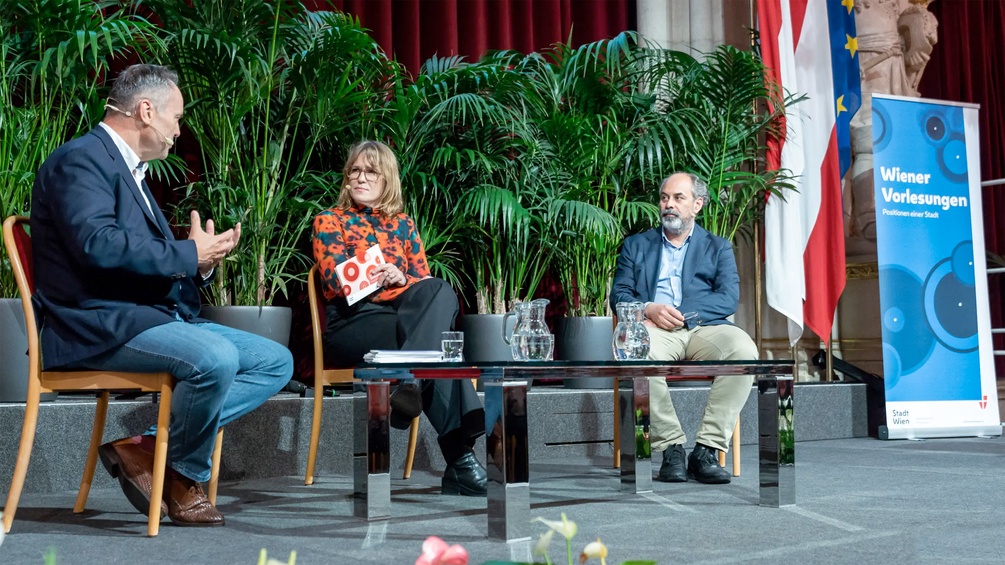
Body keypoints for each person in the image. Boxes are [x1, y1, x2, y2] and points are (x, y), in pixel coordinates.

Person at [30, 64, 293, 526]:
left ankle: (146, 448)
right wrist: (187, 253)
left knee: (276, 361)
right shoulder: (82, 159)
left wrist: (201, 264)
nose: (178, 130)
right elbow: (98, 245)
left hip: (146, 316)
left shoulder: (131, 170)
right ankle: (182, 476)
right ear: (146, 111)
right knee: (214, 357)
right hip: (96, 323)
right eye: (176, 118)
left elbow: (140, 256)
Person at [312, 140, 487, 496]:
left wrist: (402, 278)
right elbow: (337, 280)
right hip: (355, 322)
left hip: (404, 323)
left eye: (370, 171)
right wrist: (382, 273)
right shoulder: (329, 221)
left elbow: (425, 285)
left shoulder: (403, 224)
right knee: (438, 352)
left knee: (440, 289)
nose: (359, 178)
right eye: (354, 171)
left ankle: (411, 381)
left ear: (387, 178)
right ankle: (461, 461)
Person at [610, 172, 758, 484]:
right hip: (654, 329)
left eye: (679, 198)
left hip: (703, 328)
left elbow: (728, 299)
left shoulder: (717, 246)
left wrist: (685, 315)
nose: (669, 205)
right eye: (665, 198)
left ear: (697, 205)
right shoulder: (636, 245)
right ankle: (671, 448)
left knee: (744, 350)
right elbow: (619, 295)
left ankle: (706, 450)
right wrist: (648, 308)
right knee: (634, 350)